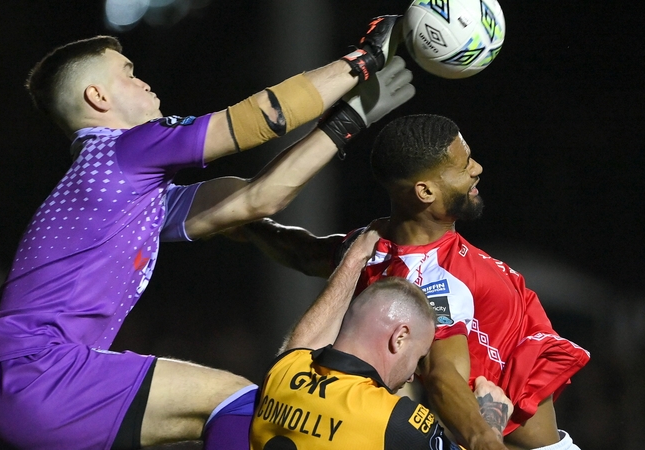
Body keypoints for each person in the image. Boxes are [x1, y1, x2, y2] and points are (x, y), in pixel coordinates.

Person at [0, 17, 416, 450]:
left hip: (10, 388)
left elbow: (257, 199)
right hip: (41, 373)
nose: (144, 81)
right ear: (98, 97)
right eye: (128, 74)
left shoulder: (125, 190)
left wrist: (351, 119)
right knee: (243, 405)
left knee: (230, 412)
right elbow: (261, 116)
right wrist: (363, 60)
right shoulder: (125, 147)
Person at [226, 114, 591, 450]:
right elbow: (441, 372)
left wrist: (246, 224)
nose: (477, 169)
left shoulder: (377, 246)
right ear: (425, 193)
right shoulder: (433, 279)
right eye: (465, 167)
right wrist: (484, 439)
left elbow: (307, 254)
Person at [250, 226, 514, 450]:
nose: (412, 376)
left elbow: (305, 340)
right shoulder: (395, 420)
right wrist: (492, 423)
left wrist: (356, 256)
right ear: (399, 338)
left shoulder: (283, 373)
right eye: (420, 357)